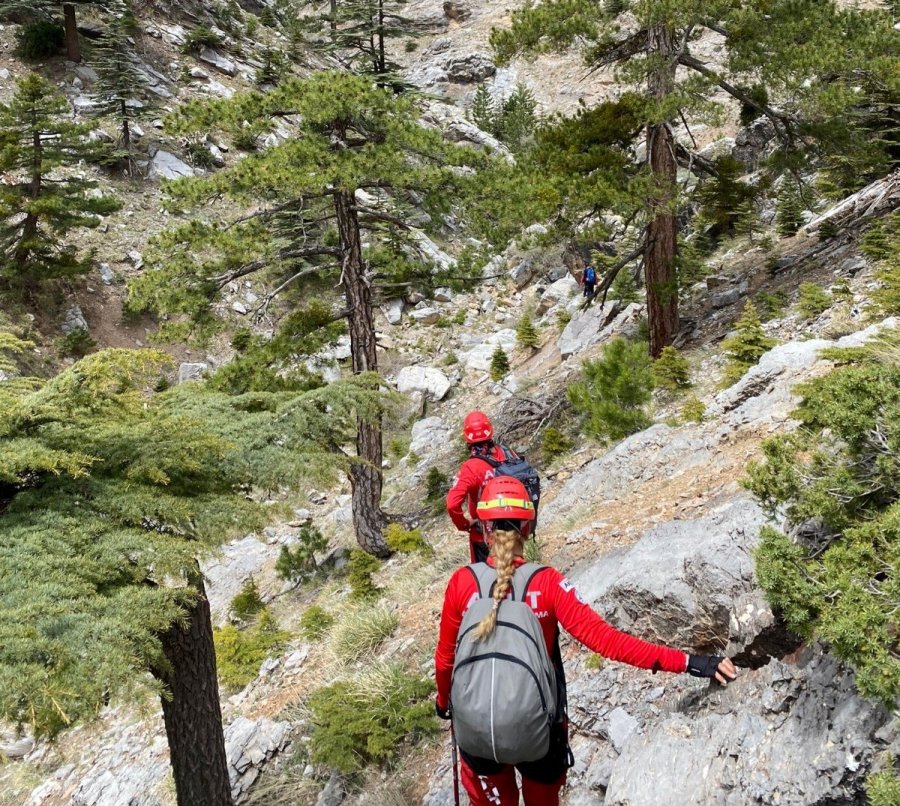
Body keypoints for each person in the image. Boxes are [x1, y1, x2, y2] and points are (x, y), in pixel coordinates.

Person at [434, 477, 738, 806]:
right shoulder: (547, 583)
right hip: (540, 728)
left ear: (483, 528)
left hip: (477, 727)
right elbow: (608, 641)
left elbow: (445, 660)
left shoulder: (461, 583)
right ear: (528, 527)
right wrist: (691, 662)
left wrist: (443, 702)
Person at [446, 411, 508, 563]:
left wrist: (464, 524)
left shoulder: (470, 468)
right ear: (490, 430)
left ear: (467, 437)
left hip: (485, 535)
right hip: (513, 527)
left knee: (486, 576)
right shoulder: (506, 454)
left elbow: (452, 504)